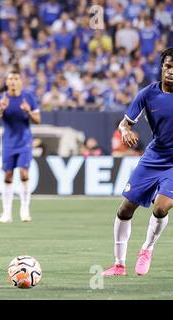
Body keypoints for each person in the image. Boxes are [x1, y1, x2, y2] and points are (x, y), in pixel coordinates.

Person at [102, 47, 173, 277]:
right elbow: (125, 123)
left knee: (161, 207)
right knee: (125, 209)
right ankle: (119, 265)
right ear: (162, 67)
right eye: (168, 66)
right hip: (154, 157)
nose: (171, 71)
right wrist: (124, 131)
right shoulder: (148, 94)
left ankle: (147, 248)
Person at [0, 69, 41, 223]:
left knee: (24, 173)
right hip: (8, 143)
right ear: (6, 82)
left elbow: (38, 120)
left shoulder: (28, 98)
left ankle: (25, 209)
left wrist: (29, 111)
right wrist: (1, 109)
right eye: (10, 78)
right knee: (8, 175)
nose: (13, 81)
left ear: (20, 81)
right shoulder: (0, 99)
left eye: (16, 78)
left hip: (24, 142)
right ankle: (6, 212)